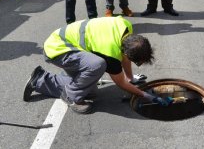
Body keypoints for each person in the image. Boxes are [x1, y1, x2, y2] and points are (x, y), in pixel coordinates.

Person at [23, 16, 171, 114]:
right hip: (58, 49)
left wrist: (131, 78)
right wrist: (145, 95)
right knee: (97, 65)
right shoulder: (110, 53)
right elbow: (120, 82)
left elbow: (125, 58)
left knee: (90, 92)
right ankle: (71, 96)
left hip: (65, 43)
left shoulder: (126, 28)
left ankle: (39, 80)